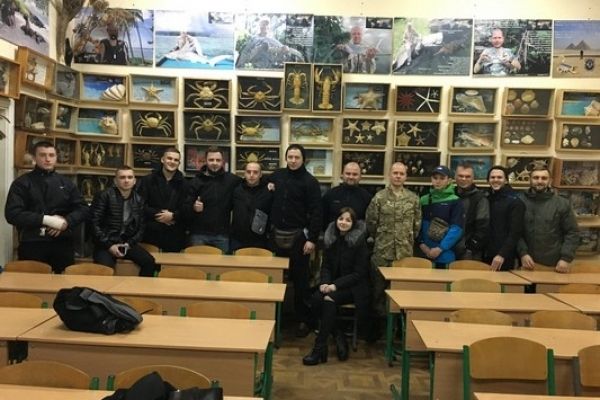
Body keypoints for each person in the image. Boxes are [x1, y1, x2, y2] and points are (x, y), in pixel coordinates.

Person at [5, 141, 89, 273]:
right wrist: (48, 220)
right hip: (32, 242)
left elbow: (83, 209)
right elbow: (12, 214)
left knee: (63, 283)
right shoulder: (21, 183)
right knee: (31, 282)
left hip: (62, 242)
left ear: (56, 157)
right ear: (34, 158)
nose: (47, 159)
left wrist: (66, 222)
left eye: (51, 155)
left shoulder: (67, 183)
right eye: (43, 155)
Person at [302, 207, 369, 366]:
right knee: (316, 299)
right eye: (341, 219)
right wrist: (325, 282)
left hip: (354, 288)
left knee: (328, 299)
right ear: (336, 220)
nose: (343, 222)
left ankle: (319, 348)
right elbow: (326, 266)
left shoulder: (359, 243)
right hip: (331, 284)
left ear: (353, 223)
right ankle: (338, 334)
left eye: (348, 220)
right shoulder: (331, 239)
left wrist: (334, 286)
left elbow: (358, 274)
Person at [268, 144, 322, 337]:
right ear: (285, 158)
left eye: (296, 157)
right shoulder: (277, 176)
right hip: (276, 235)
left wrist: (312, 239)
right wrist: (269, 185)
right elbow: (265, 185)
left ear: (303, 159)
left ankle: (303, 320)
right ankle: (273, 317)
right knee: (274, 279)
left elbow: (317, 212)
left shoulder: (310, 182)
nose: (292, 160)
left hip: (299, 238)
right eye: (290, 157)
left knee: (301, 282)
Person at [366, 162, 421, 319]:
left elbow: (416, 225)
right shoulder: (379, 197)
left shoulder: (413, 199)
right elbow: (371, 223)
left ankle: (398, 327)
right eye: (395, 173)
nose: (398, 176)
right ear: (389, 175)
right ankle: (380, 327)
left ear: (406, 177)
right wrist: (382, 238)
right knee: (378, 292)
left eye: (401, 174)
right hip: (382, 252)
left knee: (401, 294)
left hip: (404, 254)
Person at [90, 166, 158, 277]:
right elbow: (94, 224)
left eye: (130, 177)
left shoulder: (139, 200)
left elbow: (141, 227)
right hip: (105, 244)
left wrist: (129, 244)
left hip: (127, 244)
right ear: (115, 181)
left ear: (134, 181)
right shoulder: (104, 196)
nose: (126, 180)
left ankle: (140, 287)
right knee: (105, 270)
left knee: (149, 262)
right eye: (122, 177)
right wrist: (109, 245)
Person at [518, 166, 579, 273]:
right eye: (536, 177)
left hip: (554, 263)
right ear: (529, 179)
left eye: (544, 178)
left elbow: (572, 232)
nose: (539, 181)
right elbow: (514, 231)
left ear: (550, 181)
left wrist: (565, 258)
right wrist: (523, 253)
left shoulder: (562, 204)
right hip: (524, 261)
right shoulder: (519, 201)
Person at [185, 146, 241, 253]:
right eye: (211, 160)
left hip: (222, 235)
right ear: (205, 161)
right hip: (198, 234)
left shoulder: (232, 180)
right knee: (197, 262)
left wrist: (269, 184)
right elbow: (185, 207)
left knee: (222, 263)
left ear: (223, 161)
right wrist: (193, 207)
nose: (214, 163)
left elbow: (251, 182)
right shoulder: (195, 181)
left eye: (218, 160)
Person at [138, 147, 188, 253]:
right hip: (150, 232)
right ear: (162, 160)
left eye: (176, 160)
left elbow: (186, 207)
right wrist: (160, 214)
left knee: (171, 264)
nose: (172, 162)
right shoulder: (147, 180)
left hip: (174, 234)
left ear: (179, 163)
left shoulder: (185, 184)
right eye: (169, 158)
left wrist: (173, 216)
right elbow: (140, 205)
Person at [418, 166, 464, 268]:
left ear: (449, 180)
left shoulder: (455, 201)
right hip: (424, 254)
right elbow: (418, 225)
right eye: (435, 178)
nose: (438, 181)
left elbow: (457, 228)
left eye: (442, 178)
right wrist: (422, 245)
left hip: (445, 255)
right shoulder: (423, 200)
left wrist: (440, 248)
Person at [484, 166, 525, 271]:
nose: (496, 180)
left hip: (503, 256)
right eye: (492, 177)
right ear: (488, 180)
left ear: (506, 180)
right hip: (485, 252)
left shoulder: (515, 202)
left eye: (499, 177)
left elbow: (515, 232)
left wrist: (502, 254)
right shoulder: (486, 198)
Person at [230, 162, 273, 252]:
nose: (251, 175)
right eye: (248, 172)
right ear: (244, 173)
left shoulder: (268, 191)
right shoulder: (236, 190)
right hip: (238, 239)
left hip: (260, 240)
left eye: (255, 172)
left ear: (260, 174)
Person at [321, 161, 372, 229]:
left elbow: (369, 222)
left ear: (360, 177)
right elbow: (322, 218)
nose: (351, 177)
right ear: (342, 175)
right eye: (348, 173)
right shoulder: (330, 194)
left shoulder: (366, 197)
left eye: (355, 174)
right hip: (332, 234)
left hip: (358, 235)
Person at [454, 163, 489, 260]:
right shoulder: (449, 194)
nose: (464, 179)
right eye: (461, 176)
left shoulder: (480, 198)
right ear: (455, 177)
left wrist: (470, 248)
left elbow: (483, 228)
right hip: (446, 249)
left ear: (473, 178)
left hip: (469, 252)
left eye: (467, 176)